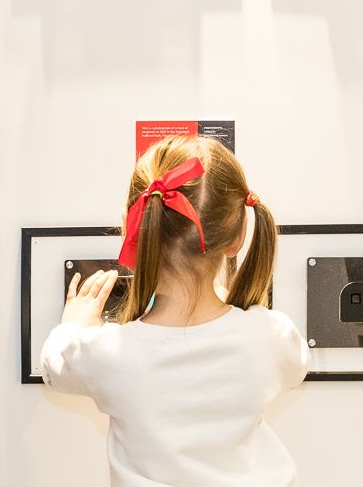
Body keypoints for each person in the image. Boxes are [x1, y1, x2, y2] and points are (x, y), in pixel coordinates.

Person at [42, 135, 310, 487]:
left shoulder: (107, 353)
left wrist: (75, 324)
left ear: (132, 227)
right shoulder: (272, 336)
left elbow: (53, 368)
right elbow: (295, 368)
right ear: (239, 236)